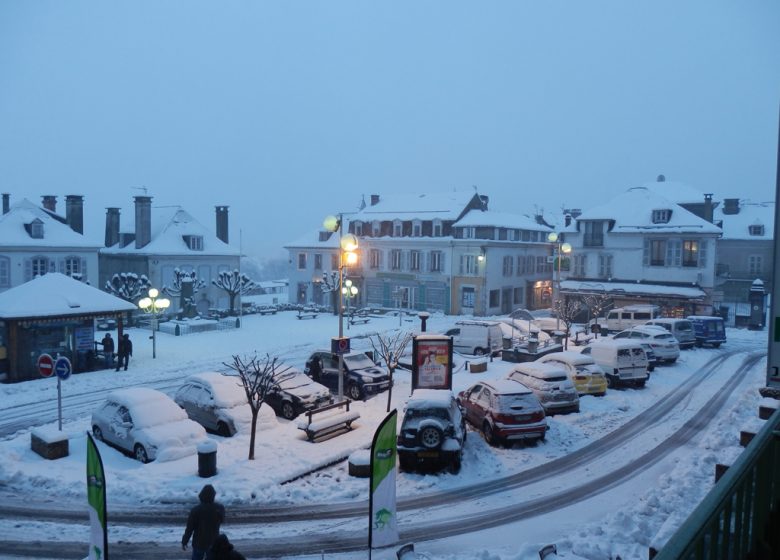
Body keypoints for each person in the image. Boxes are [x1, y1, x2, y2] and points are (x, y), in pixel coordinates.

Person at [182, 484, 225, 560]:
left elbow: (189, 529)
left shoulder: (196, 510)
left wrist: (185, 541)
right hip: (214, 543)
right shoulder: (219, 508)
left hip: (198, 543)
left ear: (201, 496)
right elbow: (222, 520)